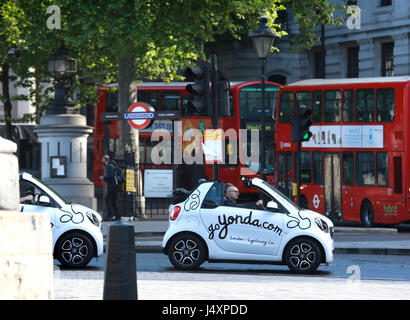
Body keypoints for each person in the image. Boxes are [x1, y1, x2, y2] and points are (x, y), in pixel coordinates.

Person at [99, 155, 120, 221]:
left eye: (102, 158)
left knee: (108, 200)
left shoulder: (109, 166)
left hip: (113, 186)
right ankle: (117, 216)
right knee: (113, 201)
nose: (101, 160)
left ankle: (111, 215)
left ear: (105, 160)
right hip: (114, 185)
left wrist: (103, 178)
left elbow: (110, 176)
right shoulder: (110, 165)